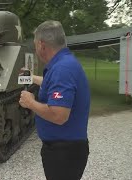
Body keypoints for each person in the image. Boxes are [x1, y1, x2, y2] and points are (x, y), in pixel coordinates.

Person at [19, 20, 90, 180]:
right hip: (66, 149)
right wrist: (31, 77)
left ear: (42, 45)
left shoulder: (62, 69)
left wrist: (30, 102)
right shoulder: (64, 64)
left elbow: (59, 116)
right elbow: (52, 83)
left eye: (36, 45)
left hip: (63, 152)